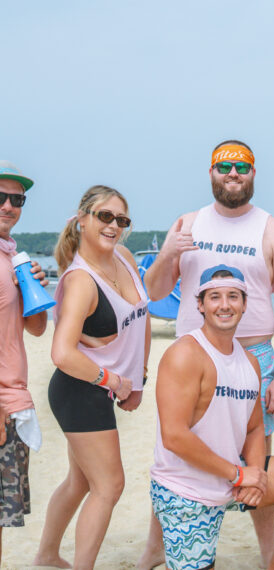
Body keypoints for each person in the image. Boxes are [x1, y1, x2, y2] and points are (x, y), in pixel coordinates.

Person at [140, 139, 274, 568]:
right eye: (224, 167)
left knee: (257, 455)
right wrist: (168, 253)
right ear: (211, 172)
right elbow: (154, 292)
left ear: (253, 173)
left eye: (242, 167)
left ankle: (267, 551)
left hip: (254, 356)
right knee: (176, 454)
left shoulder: (273, 230)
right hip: (194, 357)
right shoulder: (188, 224)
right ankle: (156, 547)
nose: (233, 174)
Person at [150, 265, 274, 570]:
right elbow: (174, 436)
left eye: (233, 296)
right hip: (186, 488)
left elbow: (255, 427)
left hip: (234, 474)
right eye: (215, 297)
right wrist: (238, 475)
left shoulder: (249, 361)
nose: (225, 305)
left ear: (245, 304)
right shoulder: (185, 353)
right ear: (200, 305)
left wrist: (255, 475)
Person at [33, 185, 150, 569]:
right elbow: (62, 353)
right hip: (79, 389)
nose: (114, 225)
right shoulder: (81, 281)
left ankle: (47, 556)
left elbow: (142, 316)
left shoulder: (125, 258)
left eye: (122, 219)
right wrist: (114, 382)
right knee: (109, 486)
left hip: (101, 386)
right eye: (104, 216)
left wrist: (139, 378)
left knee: (80, 481)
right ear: (82, 219)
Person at [0, 161, 48, 564]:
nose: (8, 206)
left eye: (17, 200)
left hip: (13, 401)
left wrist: (34, 288)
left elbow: (35, 328)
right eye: (0, 197)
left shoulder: (11, 256)